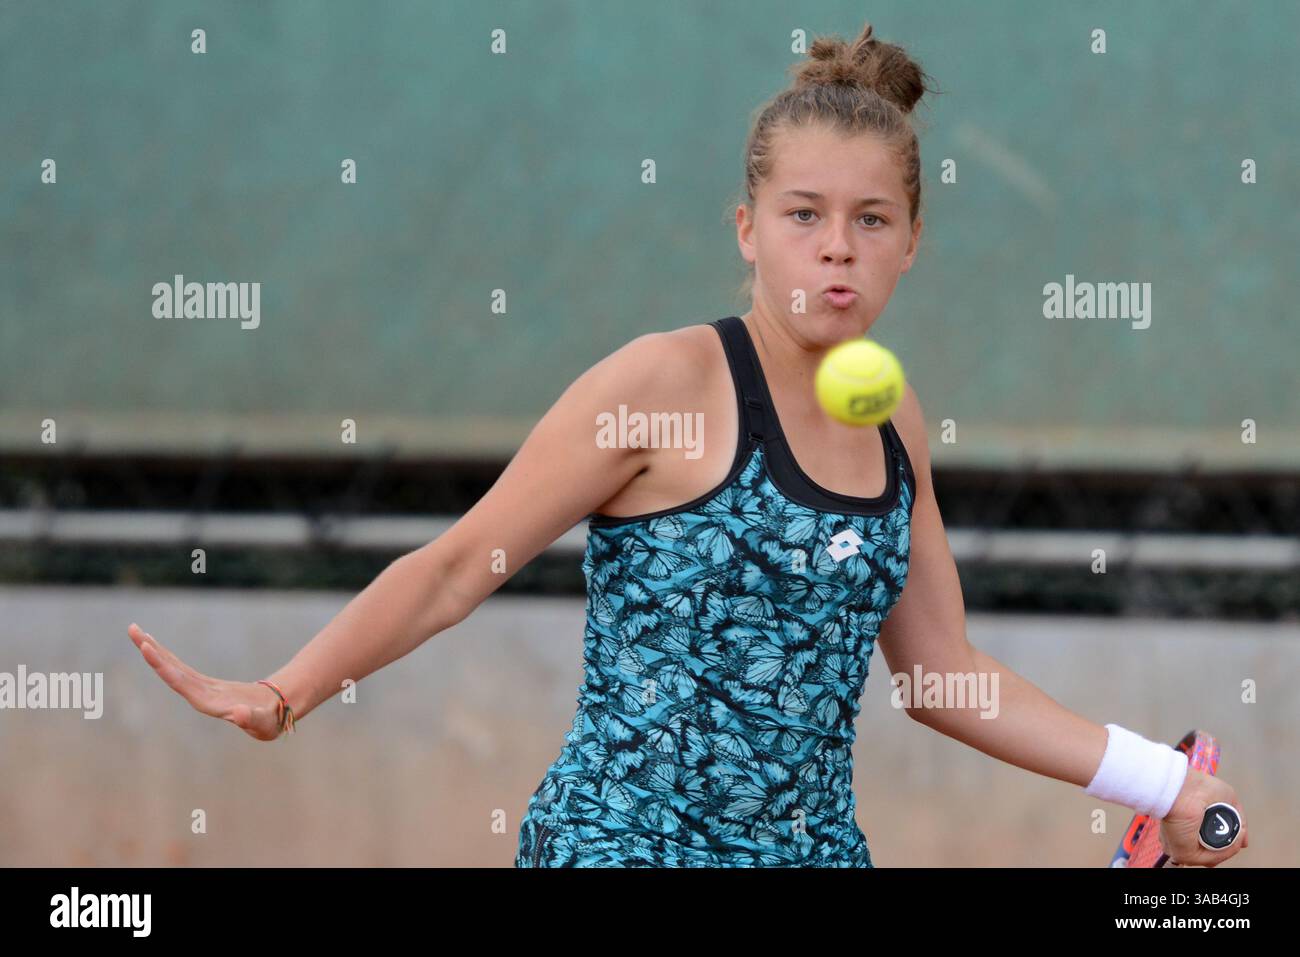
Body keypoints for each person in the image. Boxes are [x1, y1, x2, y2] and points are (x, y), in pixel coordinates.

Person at [127, 22, 1249, 868]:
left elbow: (943, 677)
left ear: (913, 243)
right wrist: (285, 692)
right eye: (803, 216)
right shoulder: (662, 380)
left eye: (871, 221)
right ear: (747, 230)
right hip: (619, 844)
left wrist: (1156, 781)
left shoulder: (894, 420)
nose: (836, 251)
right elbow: (462, 564)